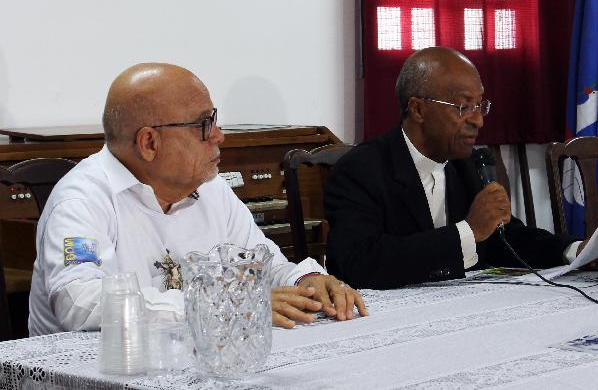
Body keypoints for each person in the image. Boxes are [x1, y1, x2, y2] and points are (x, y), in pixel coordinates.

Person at [28, 63, 367, 336]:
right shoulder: (81, 199)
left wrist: (305, 283)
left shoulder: (211, 188)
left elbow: (263, 266)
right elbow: (79, 302)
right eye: (204, 124)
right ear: (149, 143)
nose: (219, 135)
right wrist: (211, 304)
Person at [325, 47, 598, 289]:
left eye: (480, 106)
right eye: (463, 107)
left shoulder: (464, 163)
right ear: (417, 109)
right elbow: (359, 264)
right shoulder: (360, 170)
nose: (478, 120)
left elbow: (506, 238)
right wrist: (467, 231)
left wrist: (575, 252)